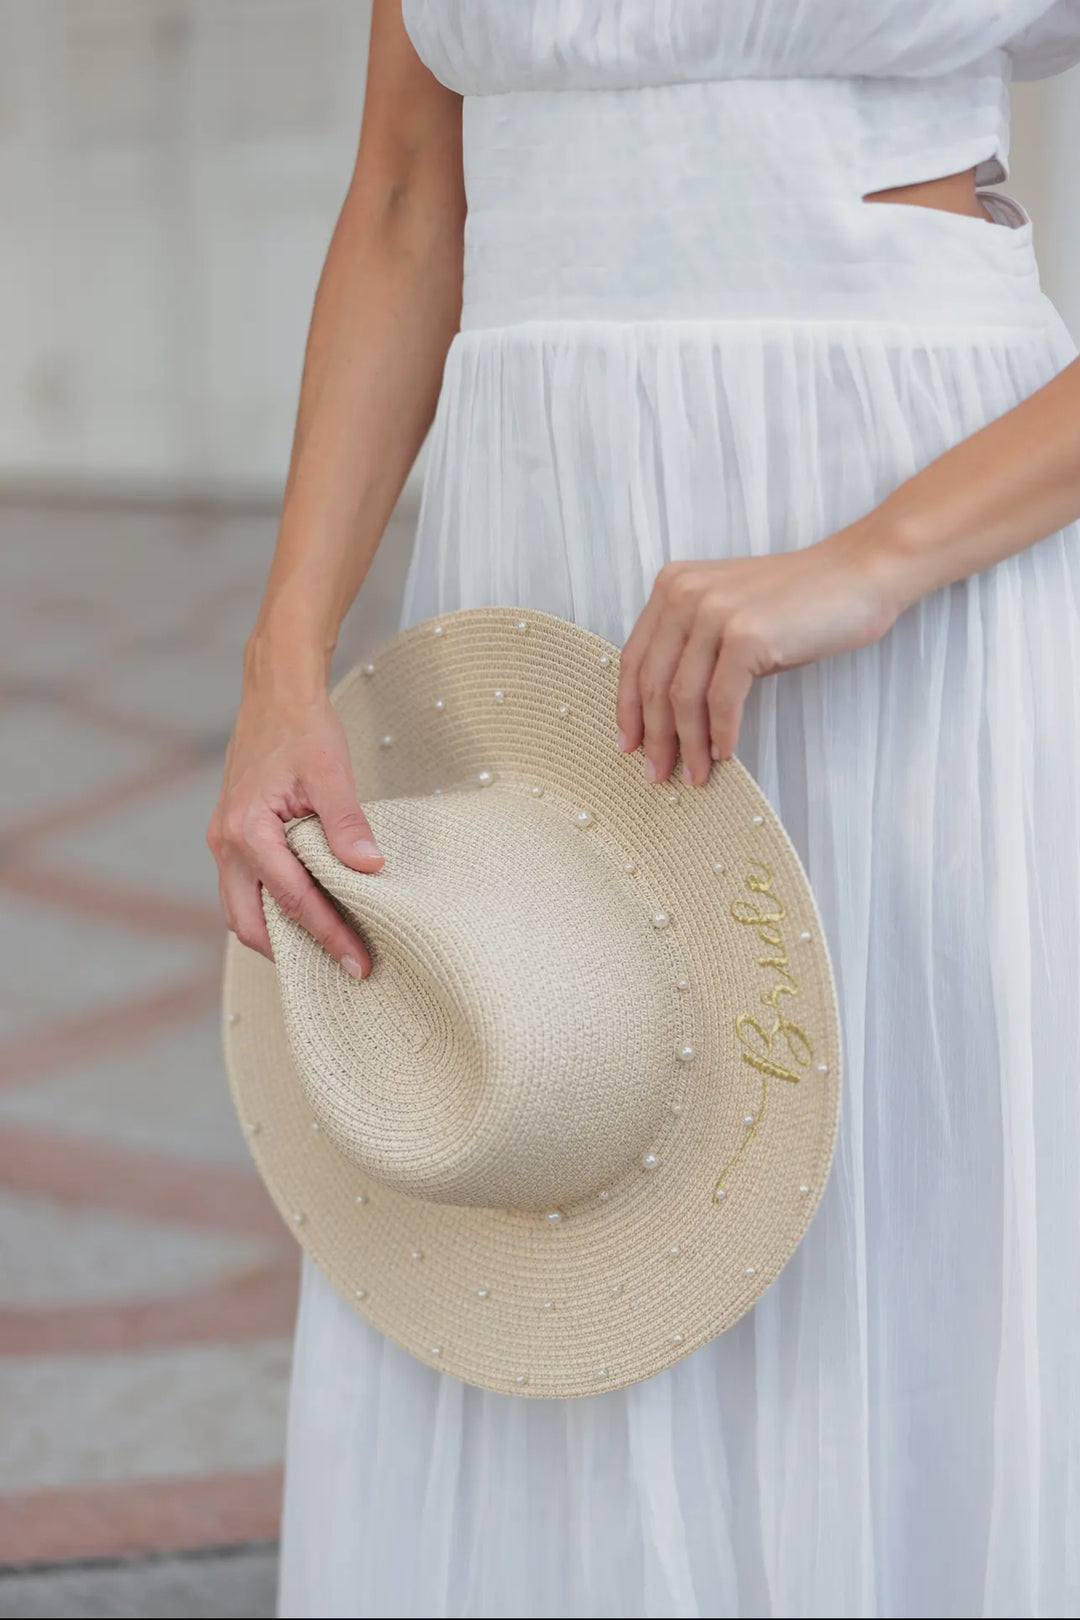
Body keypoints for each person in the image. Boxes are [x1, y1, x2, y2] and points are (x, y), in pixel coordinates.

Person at [207, 4, 1080, 1616]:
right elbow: (408, 191)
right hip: (542, 530)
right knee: (563, 1130)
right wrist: (286, 654)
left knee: (894, 1200)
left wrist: (879, 557)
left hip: (911, 521)